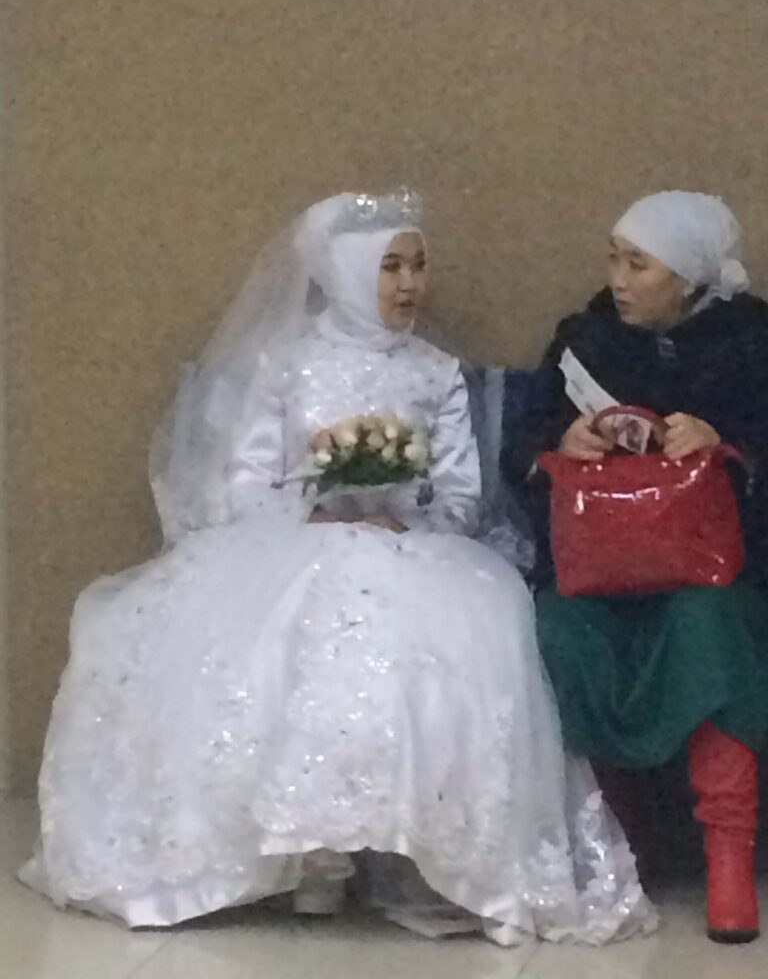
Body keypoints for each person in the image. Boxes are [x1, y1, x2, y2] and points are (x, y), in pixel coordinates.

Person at [20, 192, 654, 946]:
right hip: (289, 542)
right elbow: (243, 483)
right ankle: (305, 854)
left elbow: (458, 496)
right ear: (347, 272)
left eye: (418, 265)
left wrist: (403, 519)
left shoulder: (435, 372)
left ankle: (403, 851)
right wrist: (314, 513)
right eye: (390, 267)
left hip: (409, 546)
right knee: (280, 629)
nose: (410, 284)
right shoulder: (284, 363)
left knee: (442, 634)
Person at [509, 191, 768, 944]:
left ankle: (727, 858)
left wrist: (730, 445)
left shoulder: (753, 343)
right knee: (564, 625)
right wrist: (565, 442)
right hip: (601, 566)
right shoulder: (585, 340)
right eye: (613, 257)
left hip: (720, 570)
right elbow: (522, 444)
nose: (618, 278)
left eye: (639, 263)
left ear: (687, 277)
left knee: (707, 625)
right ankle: (618, 844)